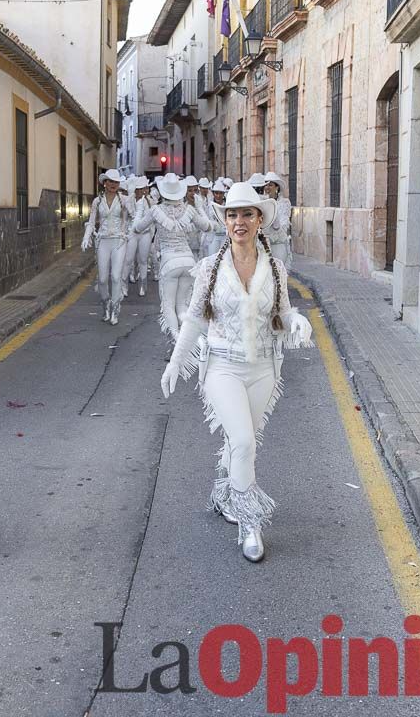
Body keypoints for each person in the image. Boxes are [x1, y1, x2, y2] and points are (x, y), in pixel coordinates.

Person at [160, 180, 313, 562]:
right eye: (232, 214)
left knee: (241, 441)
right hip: (222, 367)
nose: (239, 221)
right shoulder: (210, 268)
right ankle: (250, 523)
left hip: (264, 368)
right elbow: (194, 319)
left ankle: (226, 495)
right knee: (243, 441)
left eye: (247, 213)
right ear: (225, 221)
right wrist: (176, 362)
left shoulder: (275, 268)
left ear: (259, 220)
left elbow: (283, 313)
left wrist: (298, 323)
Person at [132, 173, 210, 338]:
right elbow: (207, 226)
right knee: (182, 306)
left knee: (168, 306)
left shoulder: (155, 210)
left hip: (170, 263)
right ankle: (190, 344)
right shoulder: (189, 209)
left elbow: (137, 228)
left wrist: (139, 209)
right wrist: (200, 207)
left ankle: (178, 346)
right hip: (189, 262)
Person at [81, 169, 135, 325]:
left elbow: (134, 216)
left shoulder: (124, 199)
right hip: (103, 241)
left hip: (119, 241)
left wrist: (129, 202)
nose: (113, 185)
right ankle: (106, 304)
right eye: (110, 181)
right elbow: (91, 222)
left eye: (116, 182)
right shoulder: (97, 201)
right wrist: (86, 237)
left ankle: (115, 309)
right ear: (105, 183)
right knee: (103, 280)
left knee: (116, 277)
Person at [128, 177, 154, 297]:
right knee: (128, 259)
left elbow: (153, 218)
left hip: (145, 234)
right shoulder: (129, 201)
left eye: (144, 188)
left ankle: (143, 286)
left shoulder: (150, 201)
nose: (143, 191)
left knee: (143, 260)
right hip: (132, 234)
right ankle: (124, 284)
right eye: (140, 189)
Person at [262, 172, 293, 266]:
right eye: (265, 185)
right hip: (263, 248)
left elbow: (283, 226)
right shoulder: (261, 203)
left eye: (270, 185)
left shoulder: (284, 203)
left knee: (278, 277)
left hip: (278, 246)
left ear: (277, 188)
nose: (267, 188)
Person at [205, 179, 229, 256]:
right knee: (212, 258)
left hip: (225, 237)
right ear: (213, 193)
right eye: (216, 193)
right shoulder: (209, 206)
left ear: (223, 194)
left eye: (220, 193)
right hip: (213, 237)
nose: (218, 196)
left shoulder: (227, 206)